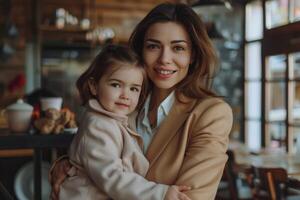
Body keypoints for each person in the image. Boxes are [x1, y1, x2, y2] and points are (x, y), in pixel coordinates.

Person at [50, 3, 233, 200]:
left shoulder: (212, 114)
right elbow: (95, 149)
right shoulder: (122, 103)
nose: (165, 59)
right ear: (140, 51)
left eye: (178, 48)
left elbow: (191, 197)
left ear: (193, 55)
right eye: (153, 46)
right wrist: (67, 165)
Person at [57, 44, 191, 200]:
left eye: (134, 89)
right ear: (94, 86)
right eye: (116, 85)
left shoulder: (116, 120)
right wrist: (160, 193)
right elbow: (113, 177)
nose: (125, 95)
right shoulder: (98, 126)